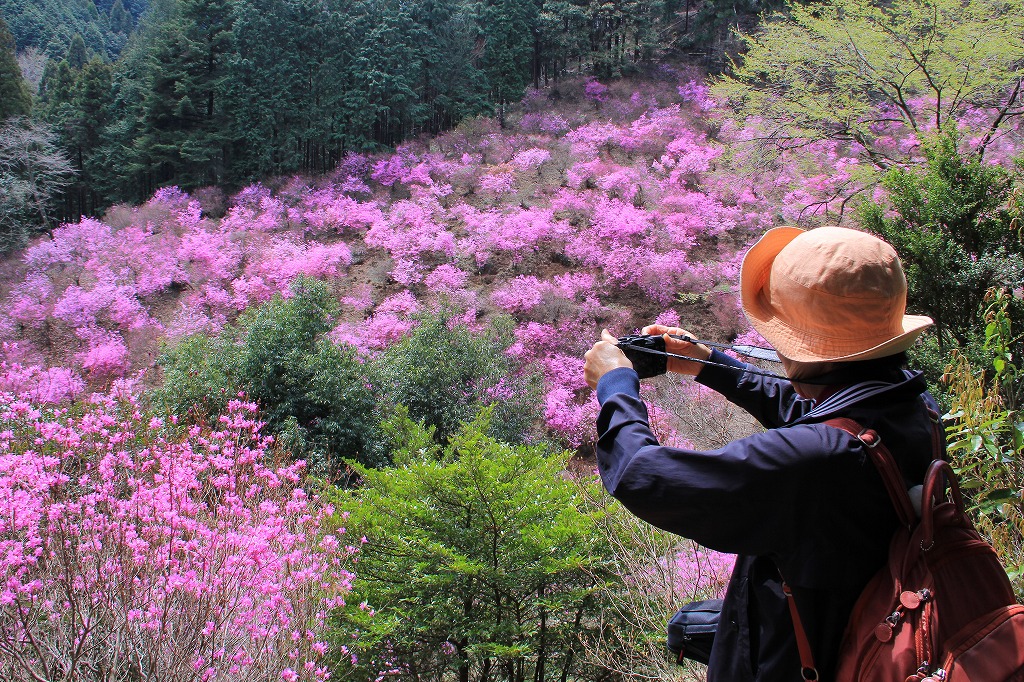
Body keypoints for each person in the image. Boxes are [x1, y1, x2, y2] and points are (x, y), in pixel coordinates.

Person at [583, 226, 942, 681]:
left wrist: (615, 383)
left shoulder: (815, 461)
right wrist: (707, 363)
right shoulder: (911, 407)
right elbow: (821, 413)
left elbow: (643, 474)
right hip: (856, 625)